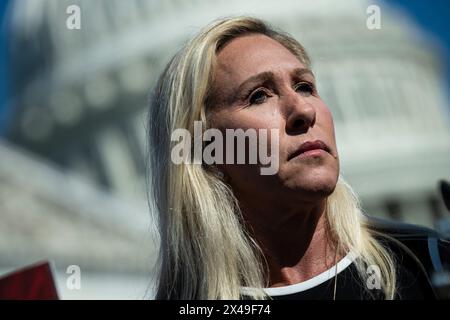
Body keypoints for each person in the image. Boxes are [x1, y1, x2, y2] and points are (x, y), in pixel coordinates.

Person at [147, 16, 450, 300]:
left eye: (305, 87)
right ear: (206, 147)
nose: (304, 111)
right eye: (258, 96)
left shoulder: (428, 265)